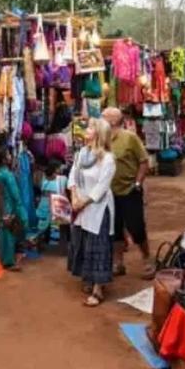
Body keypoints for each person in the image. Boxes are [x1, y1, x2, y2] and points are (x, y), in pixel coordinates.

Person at [68, 118, 117, 307]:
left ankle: (98, 289)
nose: (86, 130)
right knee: (83, 241)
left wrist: (83, 202)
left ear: (99, 133)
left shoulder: (108, 159)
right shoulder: (82, 153)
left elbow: (102, 187)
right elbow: (73, 174)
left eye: (90, 127)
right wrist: (74, 197)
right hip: (81, 205)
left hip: (98, 207)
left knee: (98, 245)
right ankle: (87, 278)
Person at [102, 107, 153, 279]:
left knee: (136, 226)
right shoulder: (102, 139)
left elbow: (144, 161)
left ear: (114, 121)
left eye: (104, 117)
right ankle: (118, 262)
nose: (101, 119)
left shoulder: (129, 138)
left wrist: (138, 182)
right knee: (114, 228)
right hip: (109, 192)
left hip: (130, 189)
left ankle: (147, 259)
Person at [0, 148, 25, 271]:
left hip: (13, 205)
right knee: (8, 234)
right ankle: (8, 262)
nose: (10, 157)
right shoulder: (0, 175)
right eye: (8, 155)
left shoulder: (8, 172)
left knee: (13, 232)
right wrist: (3, 214)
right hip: (6, 207)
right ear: (3, 159)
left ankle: (10, 259)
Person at [35, 159, 68, 246]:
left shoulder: (43, 177)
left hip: (45, 205)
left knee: (43, 228)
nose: (61, 168)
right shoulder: (63, 179)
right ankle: (51, 248)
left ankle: (44, 245)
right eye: (59, 167)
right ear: (55, 169)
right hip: (54, 206)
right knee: (52, 229)